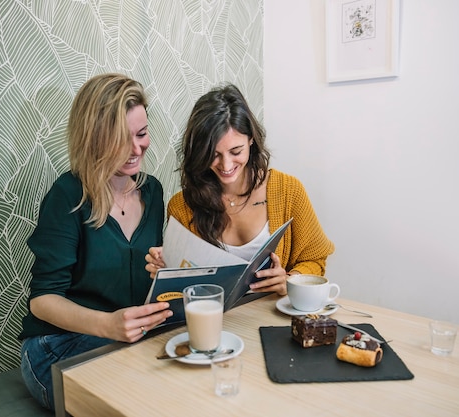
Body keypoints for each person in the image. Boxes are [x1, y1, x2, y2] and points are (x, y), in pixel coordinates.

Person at [19, 73, 172, 411]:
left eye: (142, 134)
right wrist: (108, 324)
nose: (136, 150)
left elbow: (142, 278)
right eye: (121, 139)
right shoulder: (68, 196)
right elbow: (43, 301)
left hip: (127, 340)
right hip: (57, 346)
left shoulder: (153, 192)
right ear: (95, 139)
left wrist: (166, 268)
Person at [146, 84, 334, 296]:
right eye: (213, 155)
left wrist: (290, 280)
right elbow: (183, 287)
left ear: (251, 139)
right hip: (215, 321)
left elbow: (315, 259)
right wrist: (165, 270)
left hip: (271, 318)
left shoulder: (288, 191)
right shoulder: (182, 206)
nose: (226, 166)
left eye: (236, 151)